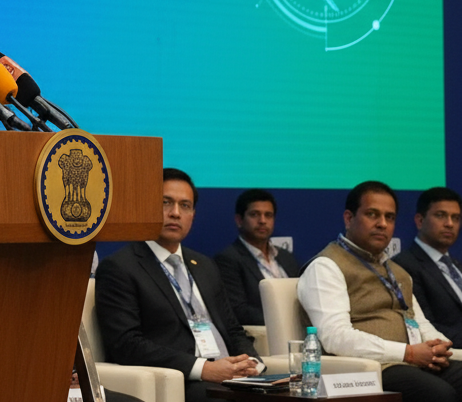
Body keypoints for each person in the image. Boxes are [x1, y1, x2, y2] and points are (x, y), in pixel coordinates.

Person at [95, 168, 263, 402]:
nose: (175, 213)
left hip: (231, 377)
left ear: (193, 214)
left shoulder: (204, 265)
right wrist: (203, 368)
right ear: (147, 207)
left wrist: (252, 364)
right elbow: (126, 344)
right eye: (166, 203)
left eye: (185, 206)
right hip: (188, 381)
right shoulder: (121, 267)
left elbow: (232, 329)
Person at [297, 180, 462, 402]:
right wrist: (408, 353)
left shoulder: (397, 271)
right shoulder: (326, 266)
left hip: (414, 362)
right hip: (371, 369)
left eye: (389, 217)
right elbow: (335, 337)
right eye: (372, 214)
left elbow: (419, 322)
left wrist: (438, 346)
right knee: (439, 394)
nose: (382, 224)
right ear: (349, 218)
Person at [214, 189, 301, 326]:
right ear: (239, 220)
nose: (262, 221)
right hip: (260, 334)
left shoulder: (286, 257)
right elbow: (238, 311)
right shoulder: (228, 259)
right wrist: (284, 320)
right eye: (254, 214)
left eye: (268, 215)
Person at [395, 187, 462, 348]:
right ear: (420, 221)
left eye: (456, 218)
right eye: (440, 215)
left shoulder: (456, 265)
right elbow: (426, 326)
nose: (450, 224)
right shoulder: (404, 265)